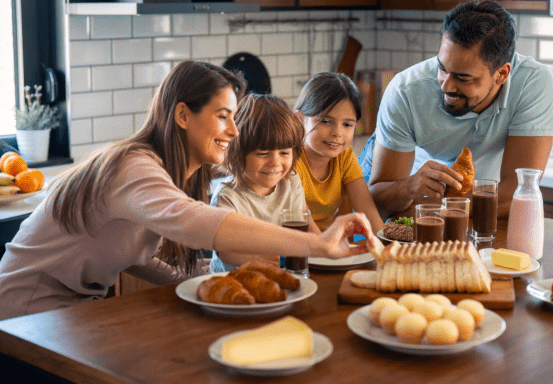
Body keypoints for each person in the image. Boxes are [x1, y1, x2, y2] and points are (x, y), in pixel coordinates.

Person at [0, 61, 374, 320]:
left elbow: (134, 255)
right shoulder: (132, 167)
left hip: (71, 311)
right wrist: (318, 245)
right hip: (25, 315)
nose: (235, 131)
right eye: (223, 116)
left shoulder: (174, 174)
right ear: (182, 116)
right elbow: (194, 222)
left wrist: (201, 279)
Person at [360, 0, 553, 220]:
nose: (445, 85)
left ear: (502, 74)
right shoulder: (405, 91)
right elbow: (377, 202)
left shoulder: (533, 83)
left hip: (442, 210)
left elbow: (517, 193)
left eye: (463, 77)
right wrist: (410, 188)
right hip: (412, 192)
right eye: (442, 69)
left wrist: (434, 208)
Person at [209, 93, 320, 272]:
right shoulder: (228, 197)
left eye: (284, 153)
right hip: (235, 282)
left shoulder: (290, 183)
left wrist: (326, 249)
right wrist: (258, 258)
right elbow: (225, 252)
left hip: (281, 277)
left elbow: (307, 229)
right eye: (262, 154)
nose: (275, 163)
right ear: (238, 152)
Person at [293, 72, 385, 235]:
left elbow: (369, 213)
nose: (337, 132)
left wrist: (389, 252)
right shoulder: (289, 159)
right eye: (326, 121)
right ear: (300, 119)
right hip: (293, 249)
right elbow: (303, 223)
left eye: (347, 125)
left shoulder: (344, 156)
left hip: (323, 247)